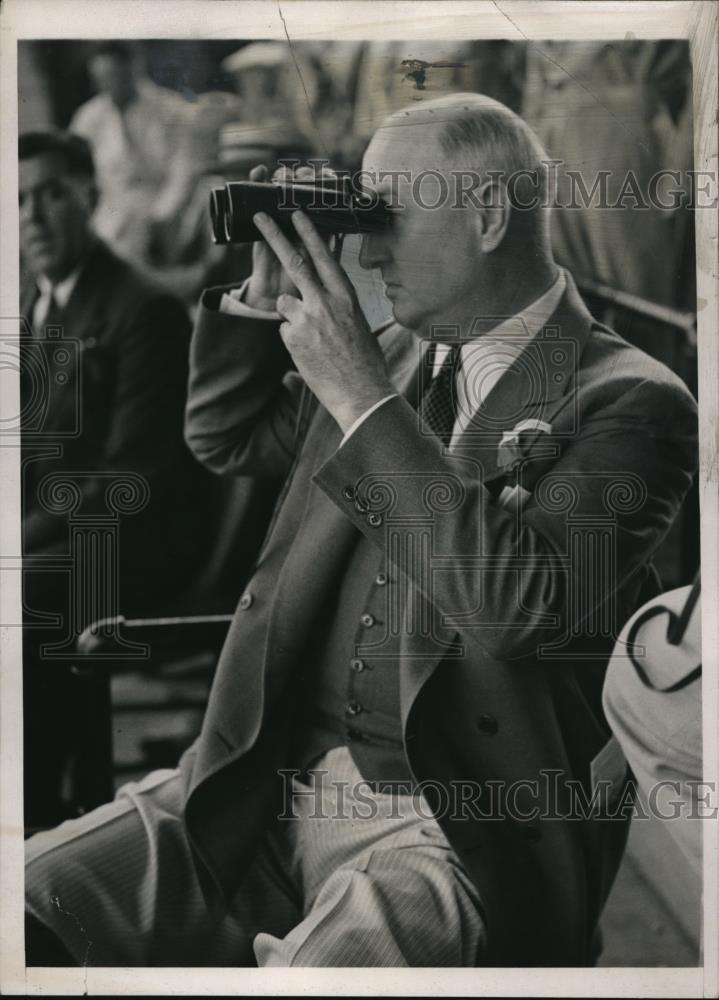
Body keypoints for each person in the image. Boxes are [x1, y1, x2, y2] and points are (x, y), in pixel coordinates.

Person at [25, 95, 698, 967]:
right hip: (258, 782)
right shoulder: (392, 354)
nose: (367, 247)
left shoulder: (631, 399)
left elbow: (520, 607)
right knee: (31, 900)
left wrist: (361, 398)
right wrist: (259, 300)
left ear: (487, 215)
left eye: (385, 215)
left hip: (446, 825)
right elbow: (225, 435)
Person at [18, 131, 214, 826]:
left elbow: (132, 478)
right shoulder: (36, 314)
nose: (33, 218)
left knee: (25, 598)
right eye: (18, 202)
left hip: (141, 549)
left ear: (90, 198)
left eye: (50, 195)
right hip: (62, 541)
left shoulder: (143, 308)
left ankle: (39, 813)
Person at [69, 41, 191, 262]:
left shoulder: (168, 108)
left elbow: (182, 169)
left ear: (132, 69)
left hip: (161, 207)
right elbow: (78, 174)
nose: (109, 85)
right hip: (110, 212)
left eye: (115, 75)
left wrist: (162, 215)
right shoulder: (88, 119)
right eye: (101, 78)